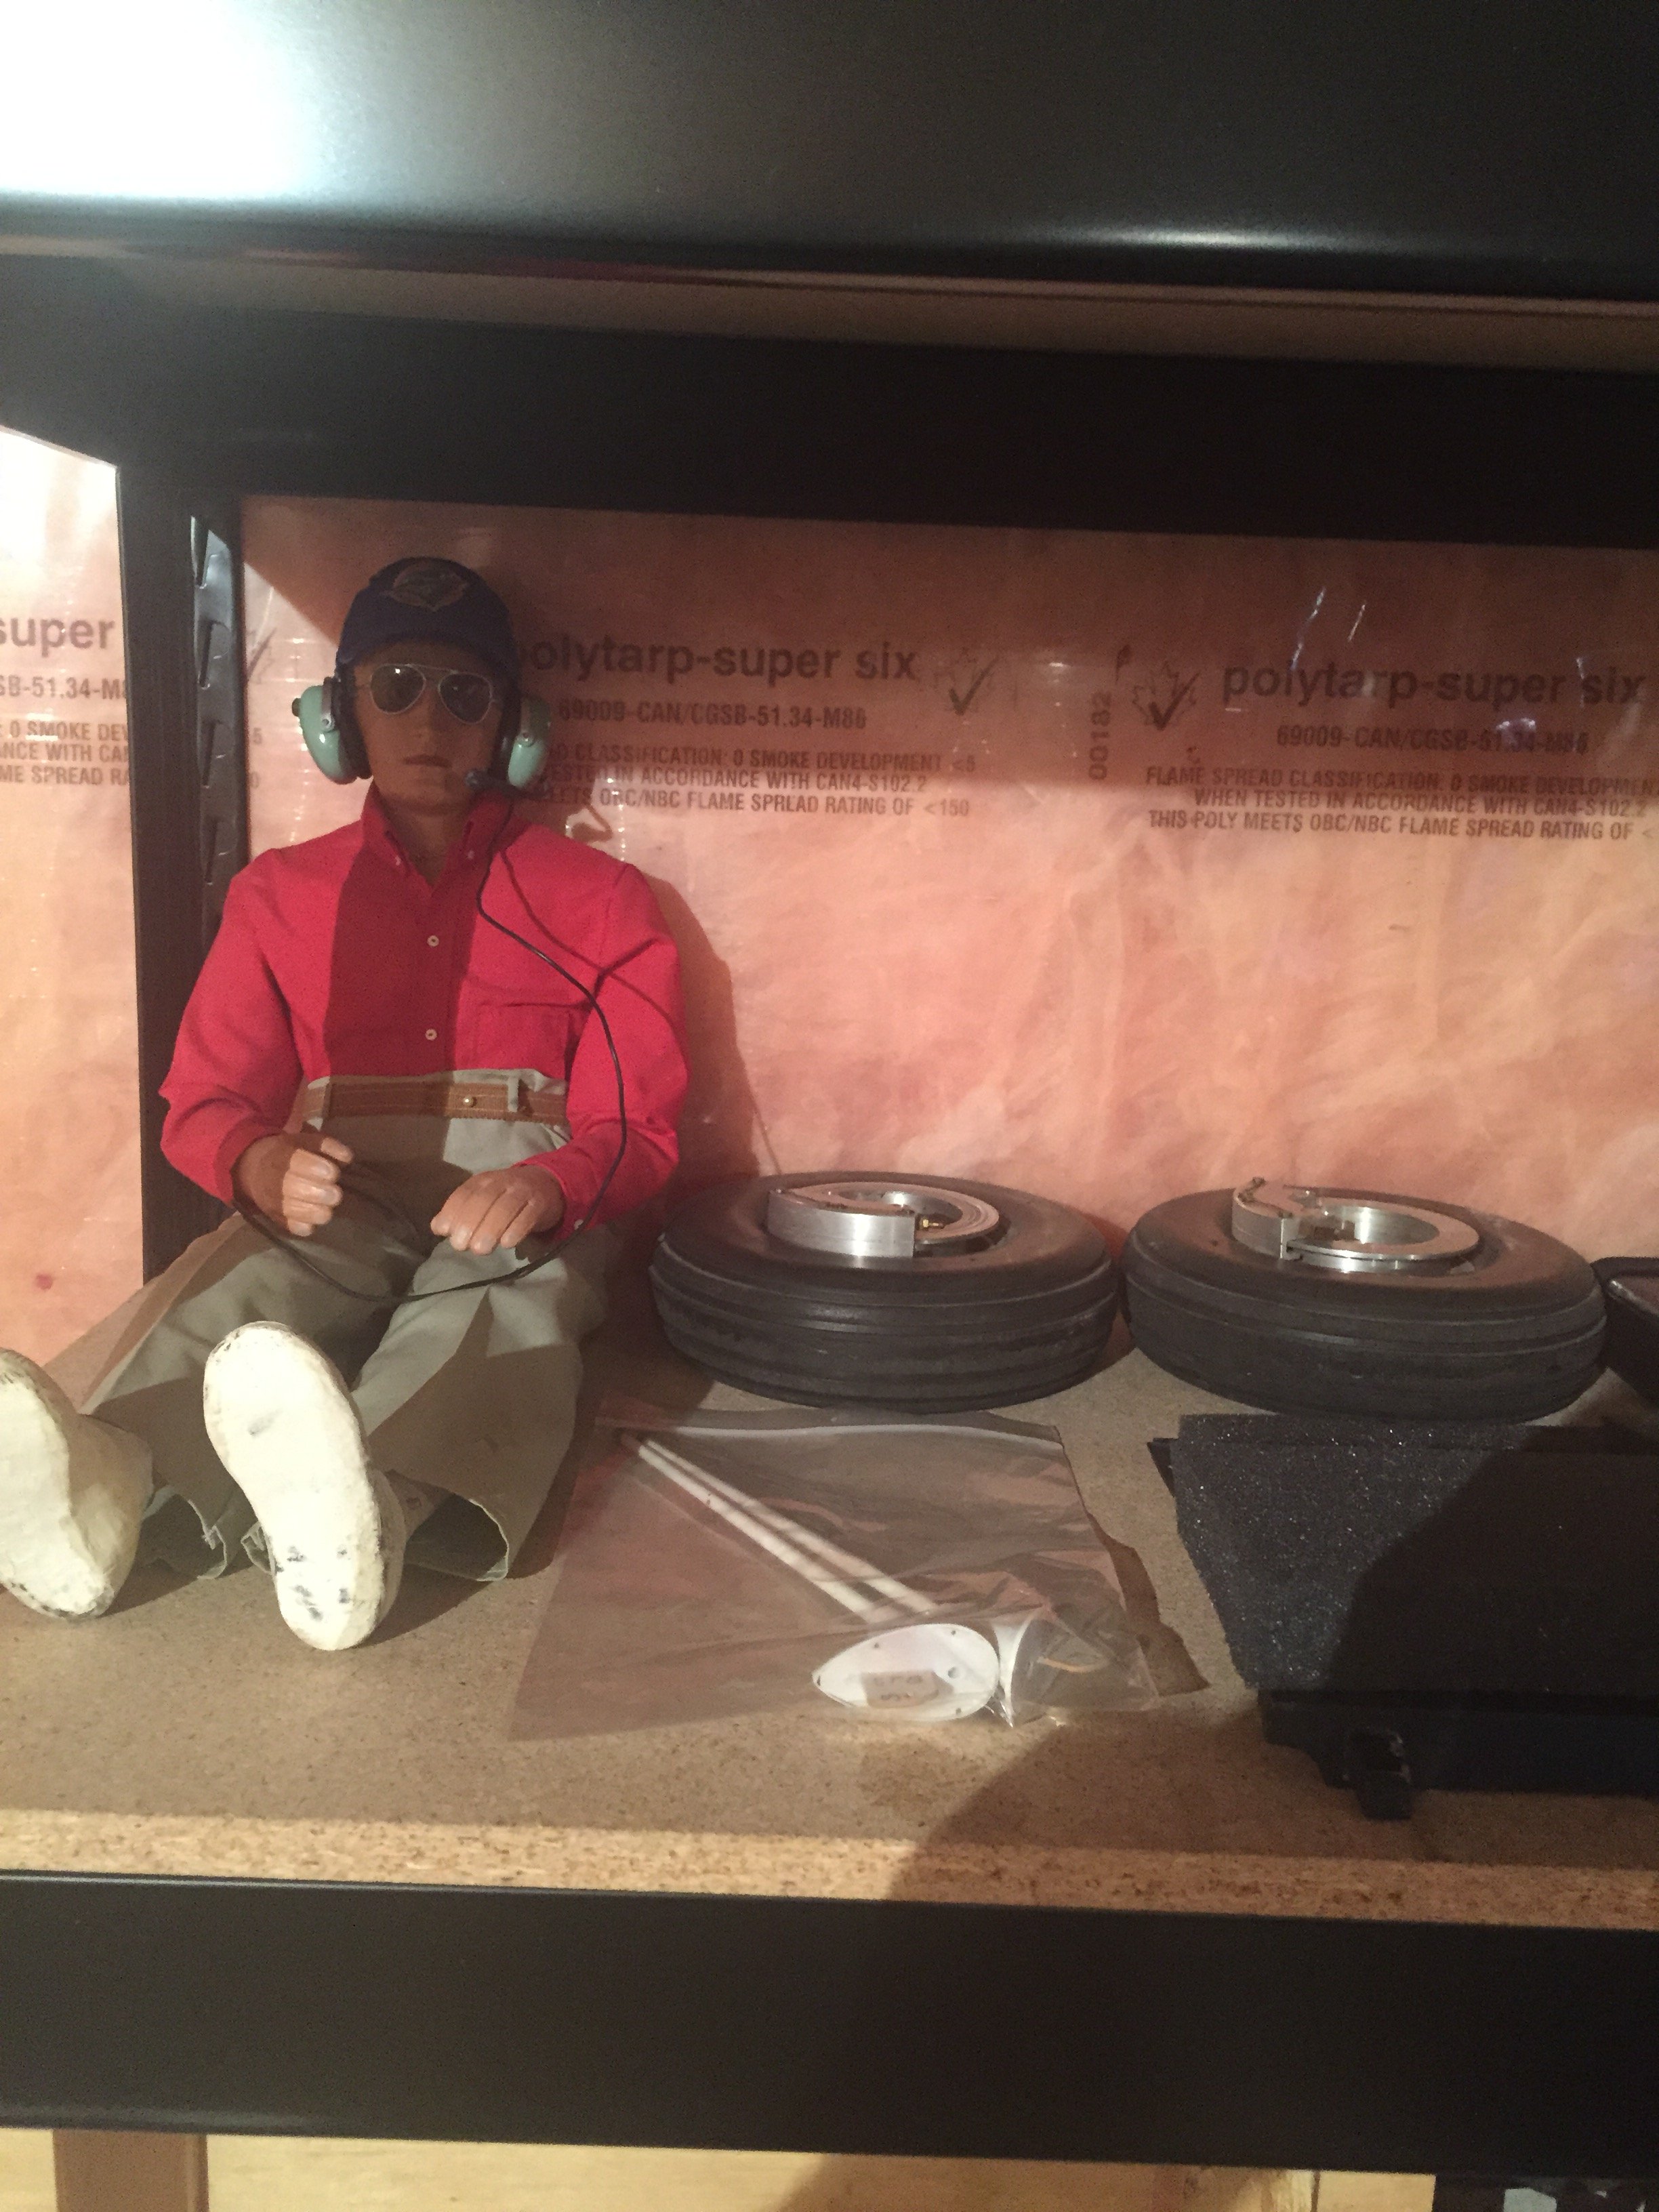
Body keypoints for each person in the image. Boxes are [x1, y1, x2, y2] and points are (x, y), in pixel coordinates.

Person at [0, 556, 687, 1650]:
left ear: (514, 727)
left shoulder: (599, 898)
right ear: (338, 717)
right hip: (337, 1183)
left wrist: (551, 1183)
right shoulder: (277, 894)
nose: (429, 720)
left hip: (516, 1195)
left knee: (497, 1306)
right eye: (395, 686)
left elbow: (636, 1127)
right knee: (239, 1287)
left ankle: (374, 1510)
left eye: (465, 693)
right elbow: (204, 1098)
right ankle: (107, 1487)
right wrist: (255, 1160)